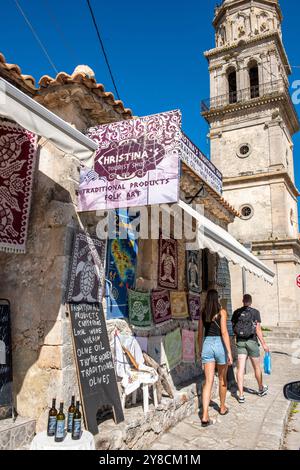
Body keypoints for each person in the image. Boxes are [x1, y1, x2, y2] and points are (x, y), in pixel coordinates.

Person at [198, 289, 233, 427]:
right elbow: (224, 332)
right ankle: (222, 407)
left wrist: (199, 350)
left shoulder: (203, 312)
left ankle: (205, 415)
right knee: (222, 378)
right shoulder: (222, 312)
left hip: (207, 344)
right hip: (219, 344)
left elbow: (200, 334)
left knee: (208, 381)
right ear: (217, 298)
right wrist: (229, 352)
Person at [232, 294, 269, 403]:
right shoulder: (255, 312)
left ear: (243, 301)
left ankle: (241, 395)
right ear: (251, 301)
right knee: (256, 367)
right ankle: (261, 389)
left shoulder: (236, 312)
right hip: (252, 341)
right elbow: (258, 330)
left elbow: (234, 328)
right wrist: (264, 344)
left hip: (240, 342)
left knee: (240, 369)